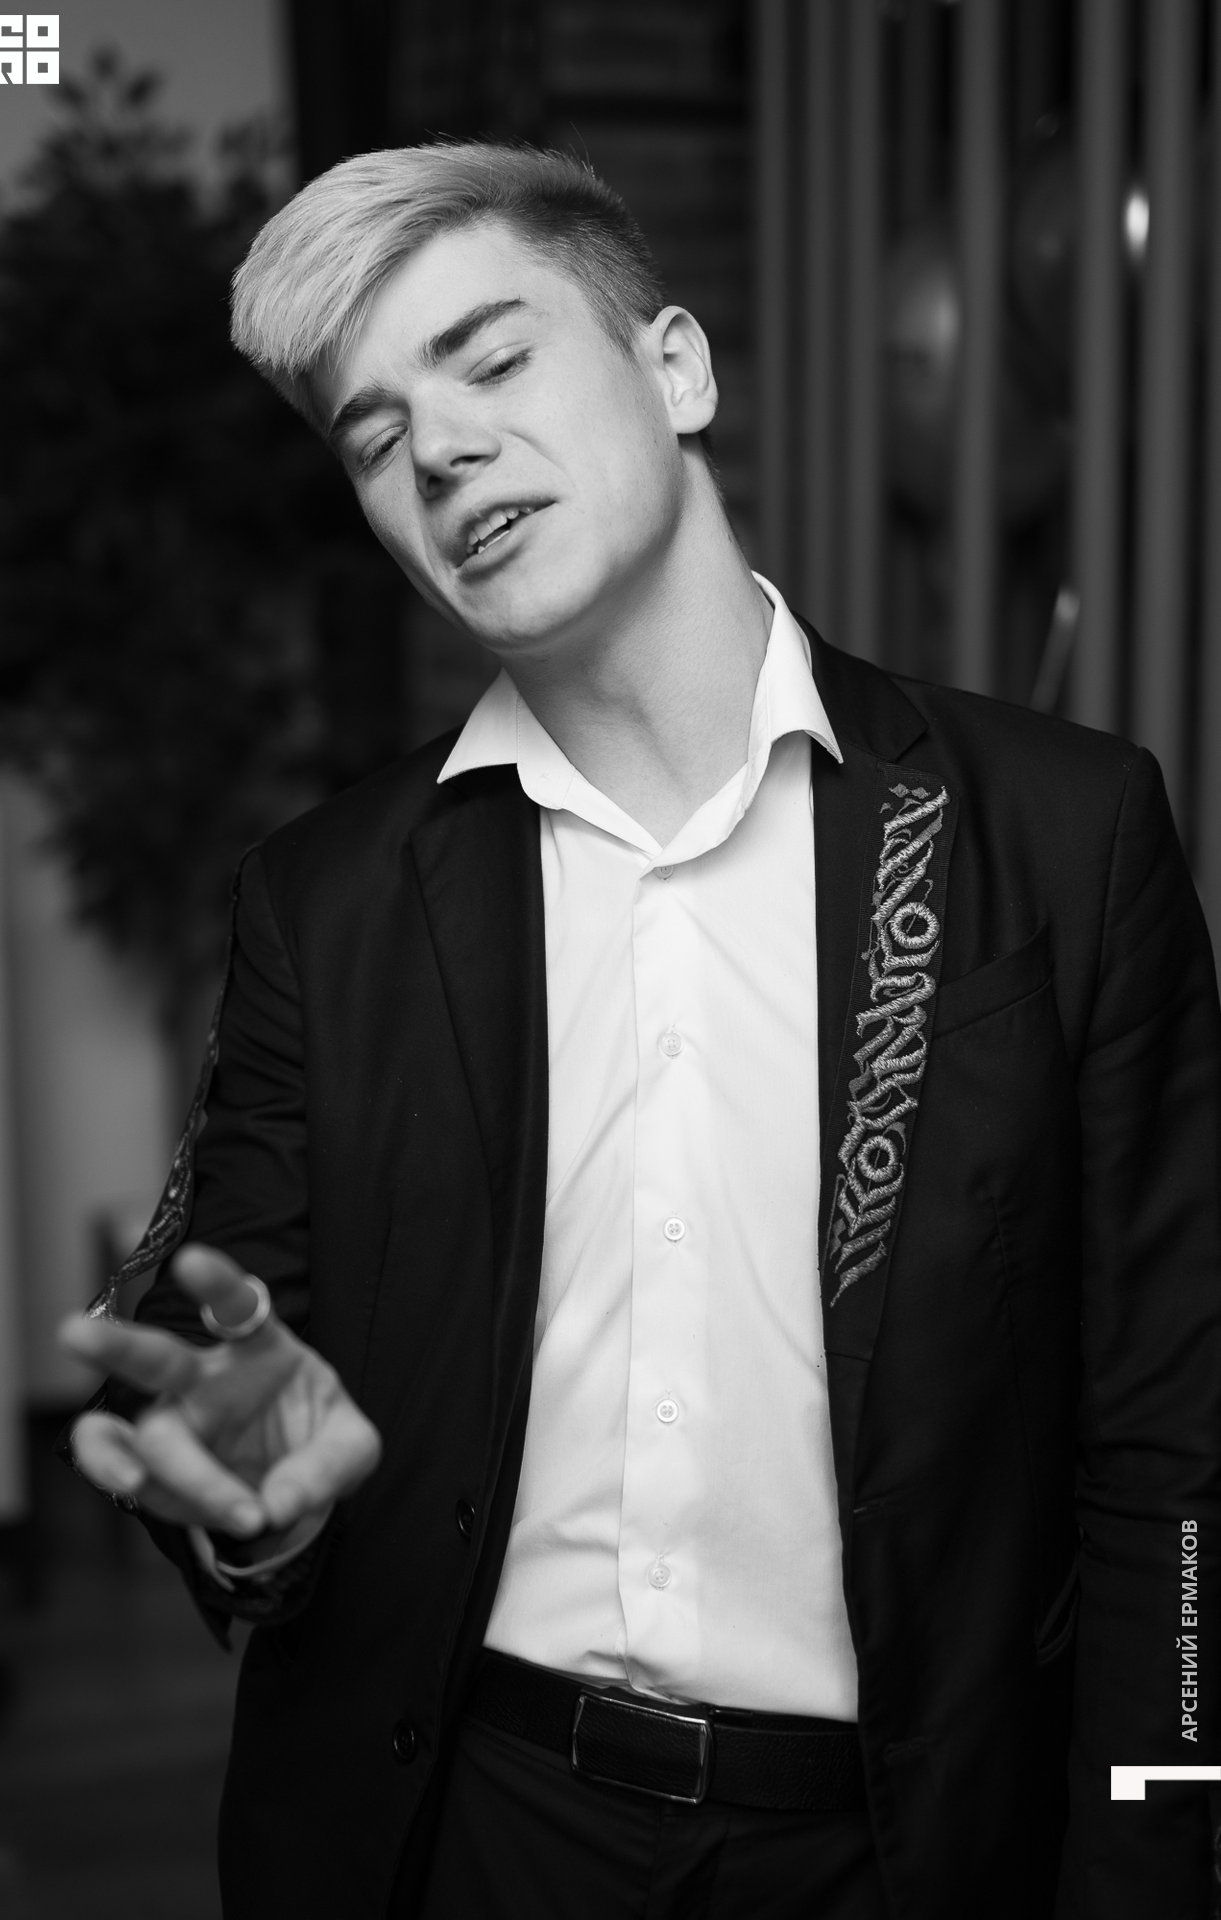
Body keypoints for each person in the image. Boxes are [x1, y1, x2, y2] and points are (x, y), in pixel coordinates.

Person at [60, 143, 1221, 1919]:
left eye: (492, 358)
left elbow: (1175, 1448)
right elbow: (221, 1350)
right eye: (373, 437)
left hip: (914, 1848)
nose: (439, 451)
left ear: (674, 368)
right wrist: (252, 1507)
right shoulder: (326, 900)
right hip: (466, 1831)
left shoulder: (1060, 834)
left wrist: (1159, 1845)